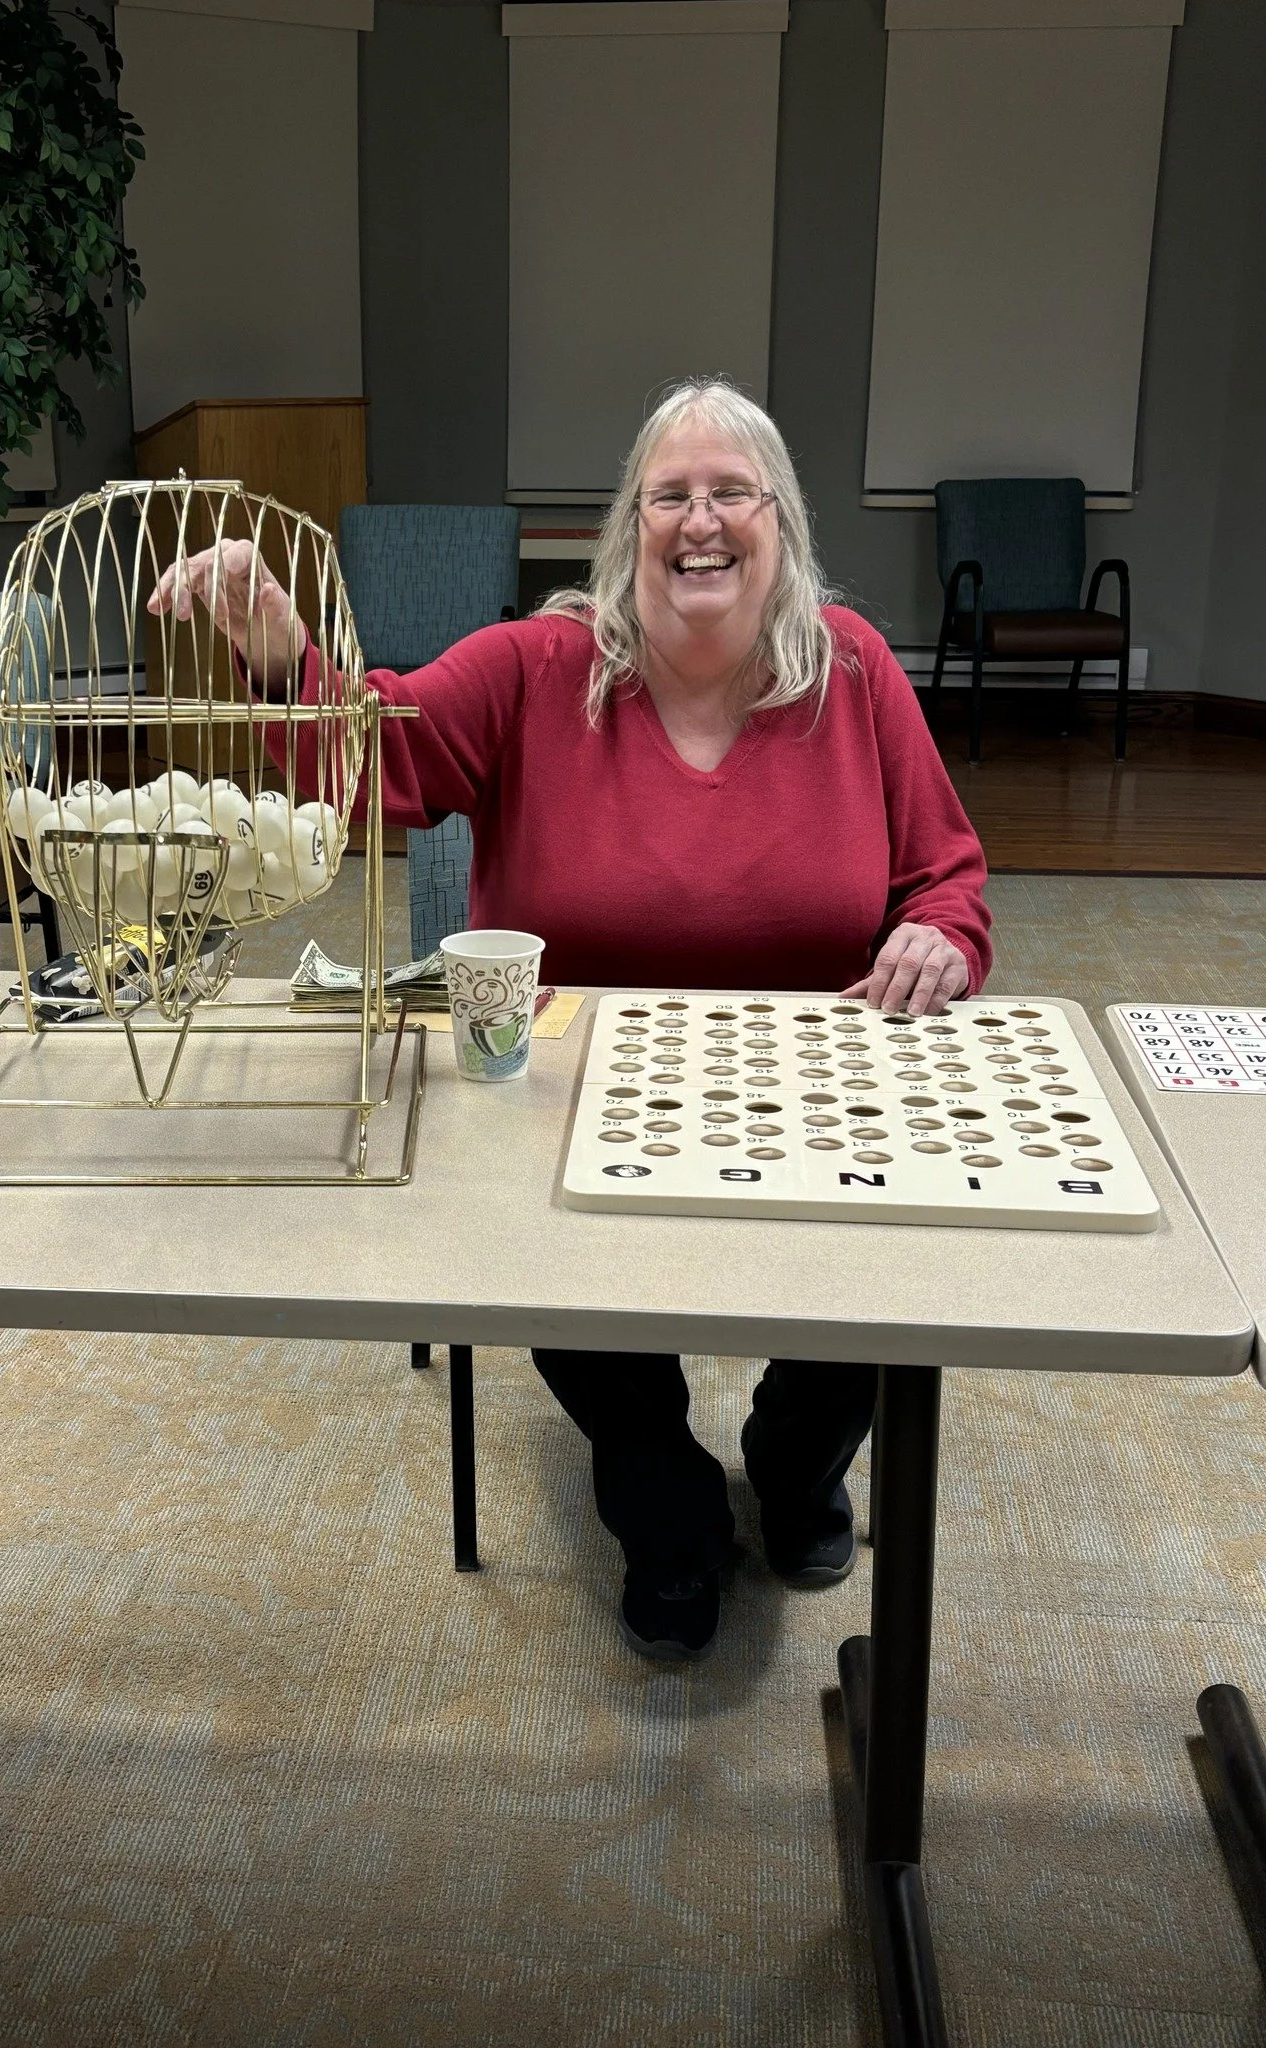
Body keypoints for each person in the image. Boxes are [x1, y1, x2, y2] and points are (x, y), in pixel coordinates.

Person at [149, 377, 992, 1662]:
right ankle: (667, 1511)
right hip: (570, 1097)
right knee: (540, 1259)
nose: (699, 521)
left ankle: (793, 1458)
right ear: (628, 526)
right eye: (669, 495)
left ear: (781, 520)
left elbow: (948, 874)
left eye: (731, 492)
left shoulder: (857, 669)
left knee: (890, 1282)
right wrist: (278, 649)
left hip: (811, 1094)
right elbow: (371, 769)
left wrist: (940, 931)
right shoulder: (538, 665)